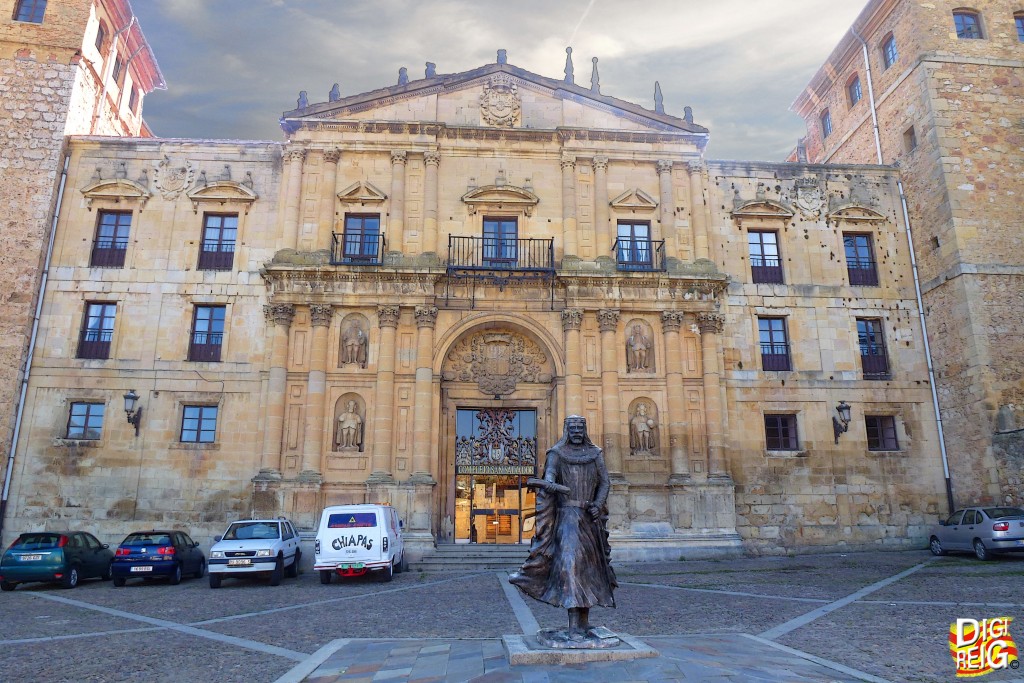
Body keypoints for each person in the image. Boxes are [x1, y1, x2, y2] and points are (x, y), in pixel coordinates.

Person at [509, 415, 616, 641]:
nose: (577, 431)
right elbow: (549, 476)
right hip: (567, 518)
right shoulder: (556, 454)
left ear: (585, 430)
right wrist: (548, 483)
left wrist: (597, 504)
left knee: (590, 568)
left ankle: (584, 621)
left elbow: (605, 482)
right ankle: (574, 624)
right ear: (566, 429)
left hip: (589, 518)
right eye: (573, 427)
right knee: (570, 565)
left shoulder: (595, 453)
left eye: (580, 427)